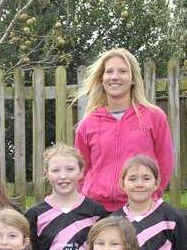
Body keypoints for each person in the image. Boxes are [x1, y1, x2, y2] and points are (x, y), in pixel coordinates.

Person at [74, 48, 173, 212]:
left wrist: (149, 197)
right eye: (109, 72)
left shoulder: (154, 117)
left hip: (139, 208)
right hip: (96, 210)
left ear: (133, 78)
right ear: (102, 78)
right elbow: (81, 169)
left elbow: (164, 163)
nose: (114, 77)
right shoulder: (88, 123)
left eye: (122, 71)